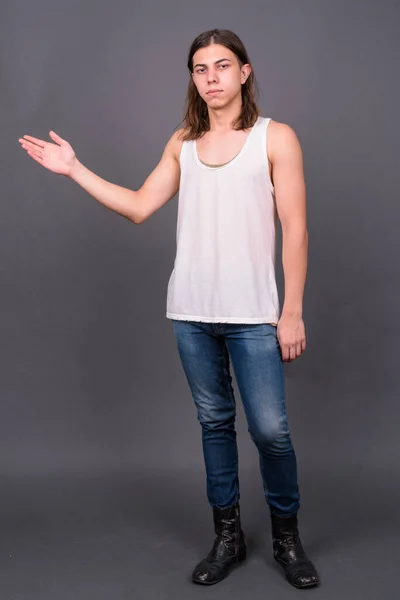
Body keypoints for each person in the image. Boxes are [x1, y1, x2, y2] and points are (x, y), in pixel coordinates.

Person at [18, 28, 319, 589]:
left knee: (271, 431)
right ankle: (226, 535)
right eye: (200, 68)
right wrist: (74, 169)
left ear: (245, 72)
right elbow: (137, 207)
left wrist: (292, 310)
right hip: (191, 313)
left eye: (222, 66)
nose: (211, 78)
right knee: (214, 423)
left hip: (255, 314)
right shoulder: (182, 141)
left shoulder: (275, 138)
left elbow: (295, 228)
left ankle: (287, 538)